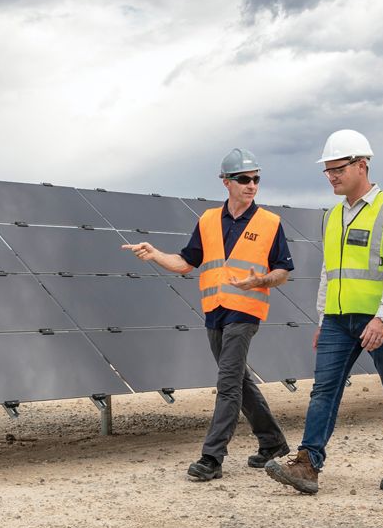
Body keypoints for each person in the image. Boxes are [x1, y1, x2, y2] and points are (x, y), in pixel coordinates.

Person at [264, 129, 383, 494]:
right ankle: (307, 465)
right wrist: (323, 318)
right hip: (337, 320)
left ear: (361, 165)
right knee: (324, 391)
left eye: (338, 169)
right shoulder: (332, 216)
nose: (332, 176)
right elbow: (328, 271)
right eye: (327, 171)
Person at [121, 148, 293, 481]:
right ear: (226, 182)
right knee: (239, 379)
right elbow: (186, 263)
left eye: (256, 179)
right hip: (214, 312)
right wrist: (155, 254)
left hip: (246, 311)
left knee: (228, 383)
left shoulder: (270, 223)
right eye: (244, 179)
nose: (252, 185)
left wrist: (261, 280)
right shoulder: (208, 220)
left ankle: (212, 457)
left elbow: (283, 270)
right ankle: (272, 443)